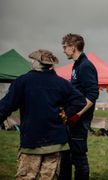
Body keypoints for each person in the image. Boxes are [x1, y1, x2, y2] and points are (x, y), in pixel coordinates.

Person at [0, 49, 86, 179]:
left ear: (35, 63)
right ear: (50, 65)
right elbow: (80, 100)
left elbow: (6, 106)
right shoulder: (61, 83)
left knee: (26, 177)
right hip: (56, 142)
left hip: (31, 141)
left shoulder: (23, 81)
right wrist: (66, 113)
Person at [59, 33, 99, 180]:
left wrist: (78, 115)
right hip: (72, 118)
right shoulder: (77, 65)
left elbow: (93, 94)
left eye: (65, 47)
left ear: (73, 47)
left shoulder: (85, 65)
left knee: (79, 157)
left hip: (80, 120)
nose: (63, 50)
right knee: (67, 156)